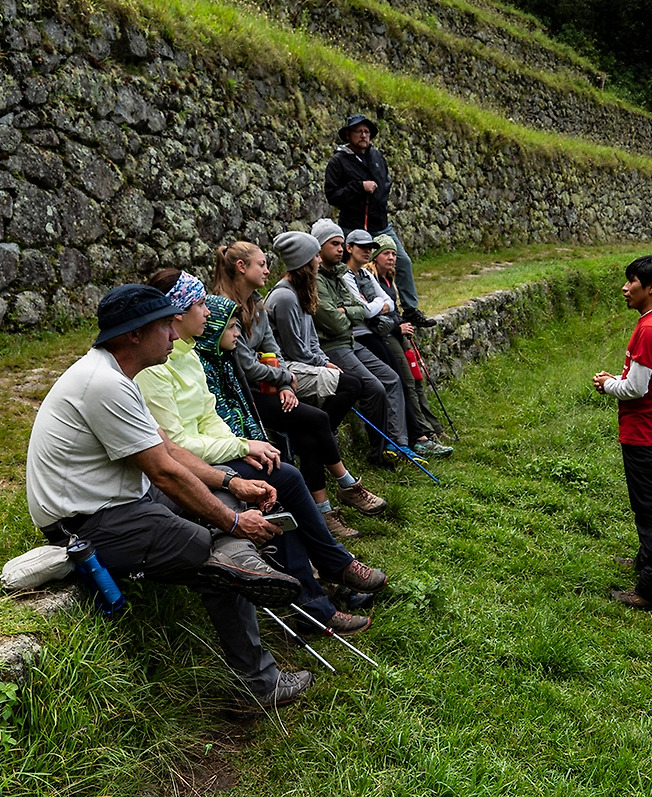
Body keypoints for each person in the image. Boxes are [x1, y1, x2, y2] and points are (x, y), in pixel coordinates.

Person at [25, 284, 310, 707]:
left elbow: (170, 449)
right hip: (86, 524)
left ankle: (241, 559)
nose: (175, 335)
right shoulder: (104, 384)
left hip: (121, 504)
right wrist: (233, 522)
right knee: (206, 551)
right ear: (134, 334)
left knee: (219, 504)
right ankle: (258, 681)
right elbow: (163, 471)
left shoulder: (116, 375)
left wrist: (230, 483)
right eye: (165, 326)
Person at [134, 269, 386, 635]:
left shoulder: (188, 354)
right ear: (178, 313)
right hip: (185, 470)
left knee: (278, 481)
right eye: (200, 304)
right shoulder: (157, 366)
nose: (208, 312)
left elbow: (209, 416)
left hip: (211, 456)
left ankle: (319, 592)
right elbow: (175, 445)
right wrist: (241, 446)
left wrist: (245, 449)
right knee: (284, 480)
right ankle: (327, 578)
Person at [206, 241, 388, 534]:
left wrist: (285, 385)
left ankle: (324, 512)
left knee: (309, 432)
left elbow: (273, 350)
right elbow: (246, 367)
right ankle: (346, 485)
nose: (267, 270)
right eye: (261, 264)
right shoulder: (224, 310)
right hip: (245, 396)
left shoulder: (257, 303)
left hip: (268, 387)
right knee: (317, 420)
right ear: (241, 267)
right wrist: (284, 378)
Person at [591, 255, 652, 613]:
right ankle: (646, 561)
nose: (625, 288)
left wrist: (607, 384)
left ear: (651, 288)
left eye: (632, 281)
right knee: (648, 505)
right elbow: (647, 378)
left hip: (646, 434)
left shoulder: (649, 329)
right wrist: (619, 380)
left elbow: (636, 388)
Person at [308, 219, 419, 467]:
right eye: (334, 244)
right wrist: (355, 311)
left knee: (392, 378)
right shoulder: (318, 280)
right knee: (375, 387)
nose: (340, 249)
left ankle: (398, 443)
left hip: (350, 341)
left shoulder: (340, 274)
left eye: (341, 243)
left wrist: (349, 311)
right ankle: (379, 450)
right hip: (334, 346)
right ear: (319, 247)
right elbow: (337, 322)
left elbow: (361, 309)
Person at [323, 113, 436, 328]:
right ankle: (349, 312)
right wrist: (359, 187)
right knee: (346, 267)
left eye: (366, 131)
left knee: (402, 261)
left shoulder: (376, 156)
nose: (363, 135)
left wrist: (377, 199)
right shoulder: (338, 162)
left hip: (380, 225)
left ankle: (409, 309)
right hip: (353, 226)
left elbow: (385, 184)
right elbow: (333, 195)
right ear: (349, 135)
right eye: (359, 131)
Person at [366, 233, 453, 459]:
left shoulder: (388, 280)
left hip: (399, 334)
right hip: (388, 336)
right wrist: (398, 327)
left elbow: (391, 310)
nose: (391, 258)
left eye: (394, 254)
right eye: (386, 253)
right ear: (375, 257)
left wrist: (401, 322)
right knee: (407, 382)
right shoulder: (371, 280)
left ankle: (432, 428)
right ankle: (421, 435)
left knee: (417, 379)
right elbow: (375, 315)